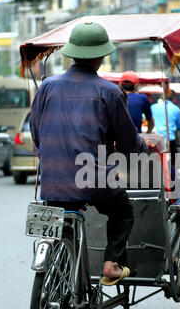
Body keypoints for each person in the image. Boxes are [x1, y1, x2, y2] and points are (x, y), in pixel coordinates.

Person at [30, 21, 150, 286]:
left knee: (60, 231)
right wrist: (144, 147)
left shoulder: (47, 86)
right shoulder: (109, 91)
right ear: (101, 56)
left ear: (71, 53)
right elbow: (129, 143)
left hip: (52, 182)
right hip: (94, 181)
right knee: (122, 213)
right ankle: (111, 264)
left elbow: (36, 133)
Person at [150, 89, 180, 167]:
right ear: (174, 98)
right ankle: (172, 172)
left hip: (156, 140)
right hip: (170, 140)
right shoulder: (176, 109)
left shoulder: (153, 107)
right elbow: (179, 126)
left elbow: (147, 118)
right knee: (174, 158)